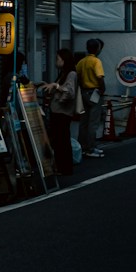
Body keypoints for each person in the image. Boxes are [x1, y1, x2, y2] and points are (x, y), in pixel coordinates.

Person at [41, 48, 82, 176]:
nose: (56, 61)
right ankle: (61, 167)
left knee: (62, 140)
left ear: (64, 60)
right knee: (60, 140)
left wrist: (56, 86)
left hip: (63, 112)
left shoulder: (71, 74)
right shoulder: (63, 73)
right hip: (58, 111)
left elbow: (69, 92)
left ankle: (65, 168)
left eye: (58, 59)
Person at [75, 38, 108, 159]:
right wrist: (102, 89)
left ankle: (81, 147)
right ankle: (91, 148)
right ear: (98, 48)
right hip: (94, 92)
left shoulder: (82, 61)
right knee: (93, 122)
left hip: (83, 92)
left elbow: (77, 76)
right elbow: (100, 77)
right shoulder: (96, 61)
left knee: (83, 121)